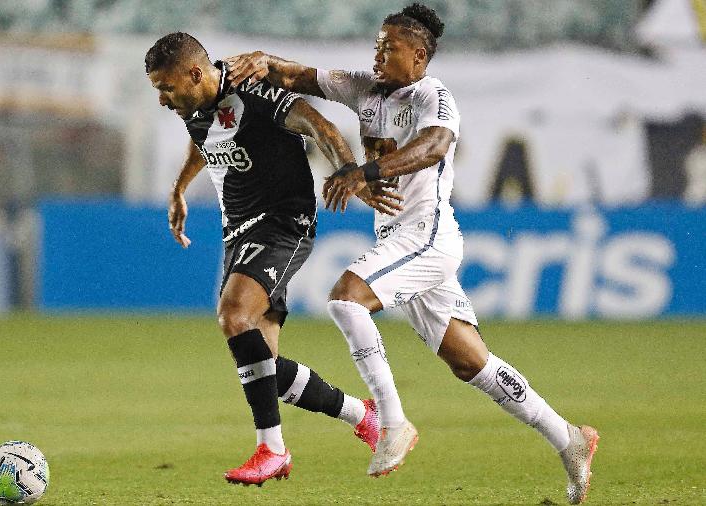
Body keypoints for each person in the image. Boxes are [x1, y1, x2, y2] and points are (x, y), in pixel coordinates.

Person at [227, 3, 599, 503]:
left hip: (425, 236)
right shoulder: (365, 87)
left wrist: (366, 173)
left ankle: (392, 422)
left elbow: (434, 147)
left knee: (345, 300)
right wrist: (261, 61)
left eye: (390, 46)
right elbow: (299, 75)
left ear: (419, 56)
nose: (378, 53)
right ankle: (569, 438)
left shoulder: (433, 97)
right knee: (471, 363)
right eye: (377, 43)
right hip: (397, 241)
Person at [145, 32, 404, 487]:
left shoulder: (252, 86)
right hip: (239, 232)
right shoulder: (194, 105)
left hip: (282, 223)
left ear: (194, 73)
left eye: (166, 89)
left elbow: (317, 124)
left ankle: (272, 450)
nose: (164, 101)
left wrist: (349, 170)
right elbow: (203, 138)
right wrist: (180, 187)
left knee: (232, 314)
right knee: (264, 368)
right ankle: (363, 415)